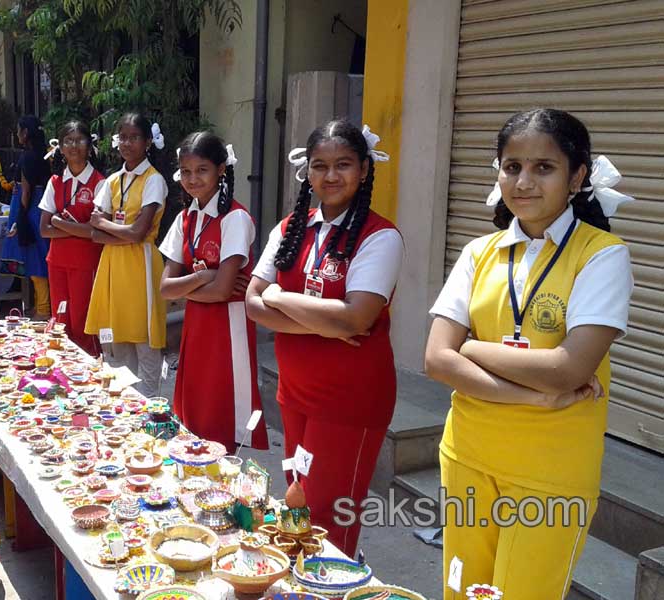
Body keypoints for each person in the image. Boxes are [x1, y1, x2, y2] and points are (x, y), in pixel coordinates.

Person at [424, 108, 634, 598]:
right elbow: (436, 359)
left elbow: (567, 369)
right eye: (512, 166)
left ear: (577, 176)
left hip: (551, 471)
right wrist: (533, 396)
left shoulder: (602, 254)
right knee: (462, 590)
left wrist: (471, 347)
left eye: (544, 167)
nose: (524, 181)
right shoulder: (480, 252)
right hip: (468, 455)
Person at [246, 119, 403, 556]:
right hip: (294, 393)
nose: (330, 176)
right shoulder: (291, 229)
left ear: (365, 169)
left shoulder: (381, 236)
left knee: (328, 520)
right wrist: (324, 323)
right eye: (320, 166)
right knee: (296, 503)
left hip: (348, 401)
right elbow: (253, 304)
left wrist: (280, 296)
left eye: (344, 165)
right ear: (306, 172)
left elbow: (356, 318)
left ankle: (334, 584)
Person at [158, 131, 268, 452]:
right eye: (187, 172)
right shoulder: (185, 218)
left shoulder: (235, 218)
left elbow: (222, 293)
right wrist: (206, 276)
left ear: (221, 169)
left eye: (202, 170)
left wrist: (196, 283)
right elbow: (166, 288)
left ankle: (218, 491)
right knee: (193, 415)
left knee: (219, 419)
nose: (193, 179)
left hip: (227, 329)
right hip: (197, 325)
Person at [85, 113, 168, 395]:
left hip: (141, 264)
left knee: (144, 339)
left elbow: (138, 232)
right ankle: (121, 407)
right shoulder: (112, 181)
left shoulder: (153, 180)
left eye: (134, 137)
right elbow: (95, 235)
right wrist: (124, 232)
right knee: (115, 339)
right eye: (123, 137)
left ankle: (149, 407)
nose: (127, 143)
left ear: (147, 142)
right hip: (114, 264)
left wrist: (108, 226)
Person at [38, 120, 105, 355]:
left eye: (79, 140)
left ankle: (88, 377)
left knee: (83, 321)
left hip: (86, 264)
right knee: (61, 318)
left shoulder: (99, 182)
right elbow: (43, 229)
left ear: (90, 145)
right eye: (68, 141)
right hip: (56, 262)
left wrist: (58, 222)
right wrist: (77, 229)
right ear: (61, 147)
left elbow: (97, 233)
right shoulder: (55, 182)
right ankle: (64, 370)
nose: (74, 146)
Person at [0, 115, 51, 316]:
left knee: (34, 258)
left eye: (19, 129)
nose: (17, 133)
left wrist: (21, 217)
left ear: (26, 132)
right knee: (38, 255)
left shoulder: (28, 157)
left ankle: (43, 309)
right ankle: (40, 305)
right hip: (37, 209)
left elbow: (27, 190)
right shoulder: (42, 155)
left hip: (29, 211)